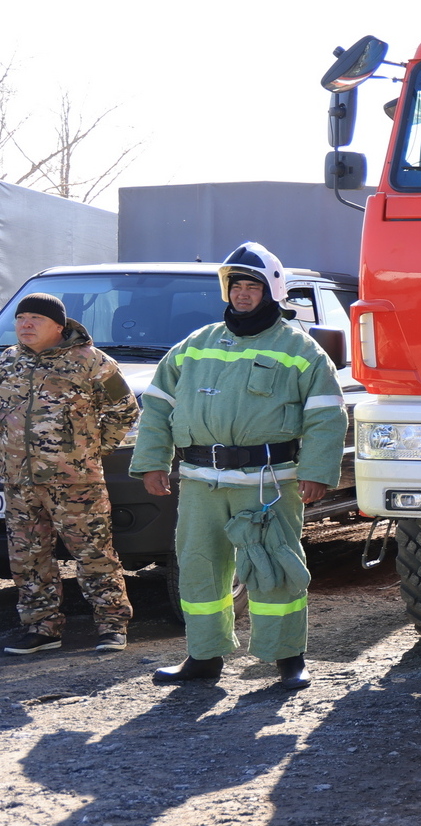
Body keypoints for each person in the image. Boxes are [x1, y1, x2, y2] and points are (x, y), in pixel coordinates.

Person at [132, 243, 346, 690]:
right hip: (199, 483)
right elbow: (156, 406)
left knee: (273, 567)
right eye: (236, 286)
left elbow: (327, 414)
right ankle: (203, 657)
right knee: (199, 566)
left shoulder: (299, 348)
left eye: (252, 285)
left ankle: (287, 658)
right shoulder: (197, 344)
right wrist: (153, 461)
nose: (242, 295)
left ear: (272, 291)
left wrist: (317, 471)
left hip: (268, 483)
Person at [0, 293, 140, 654]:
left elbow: (125, 411)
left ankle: (112, 625)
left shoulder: (91, 362)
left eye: (35, 318)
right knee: (27, 559)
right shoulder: (7, 362)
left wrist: (91, 451)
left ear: (58, 327)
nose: (25, 324)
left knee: (93, 554)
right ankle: (42, 628)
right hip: (19, 483)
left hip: (76, 482)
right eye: (21, 318)